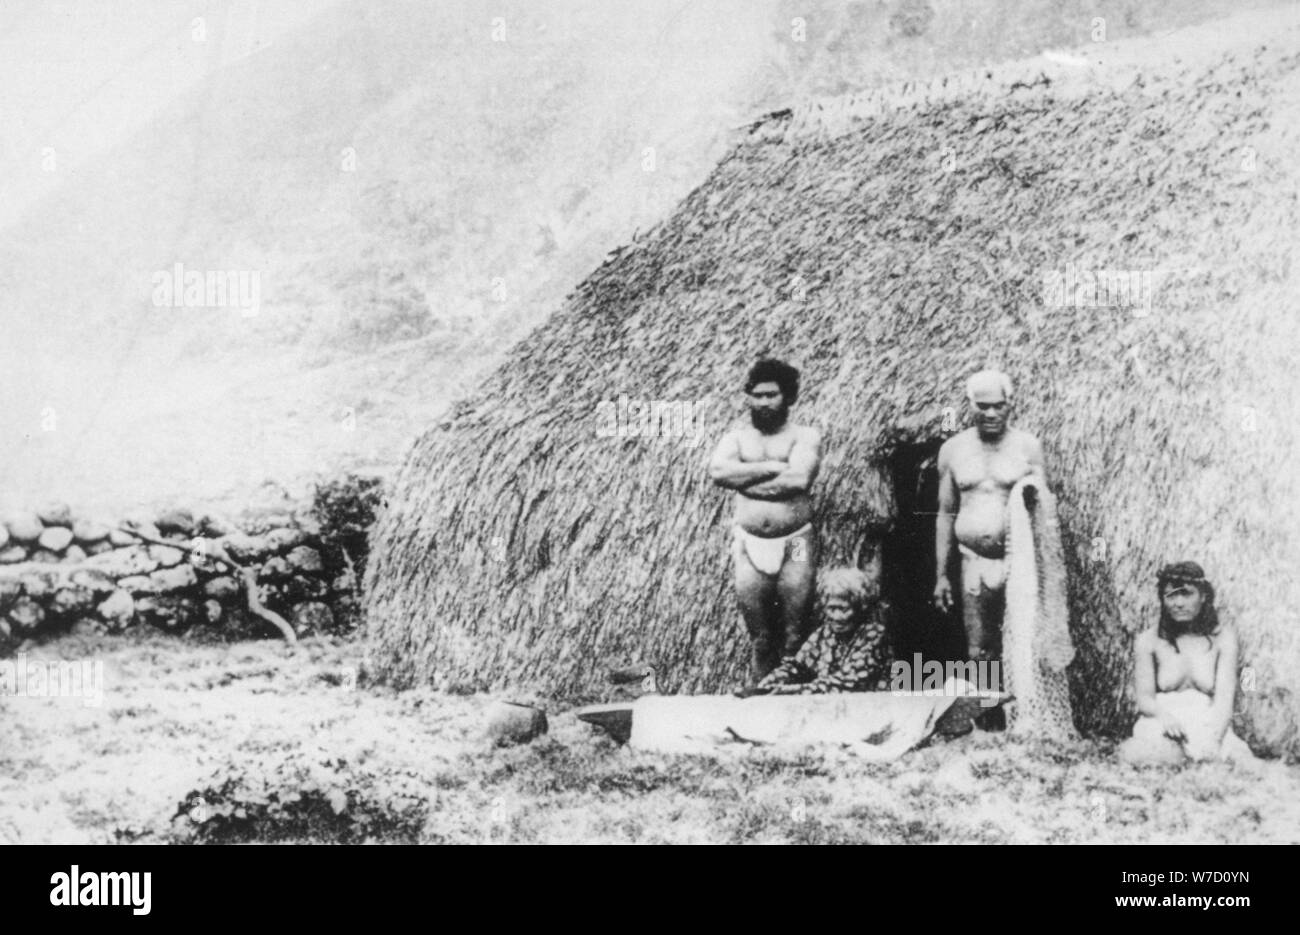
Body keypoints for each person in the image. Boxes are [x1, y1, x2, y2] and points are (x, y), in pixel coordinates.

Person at [708, 359, 822, 678]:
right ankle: (760, 691)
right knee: (759, 635)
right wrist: (769, 468)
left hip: (796, 541)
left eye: (771, 395)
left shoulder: (804, 436)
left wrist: (745, 481)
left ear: (788, 397)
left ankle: (794, 690)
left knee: (795, 629)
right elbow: (718, 472)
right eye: (757, 395)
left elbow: (799, 479)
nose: (763, 402)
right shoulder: (736, 440)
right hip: (749, 542)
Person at [933, 370, 1047, 669]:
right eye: (983, 406)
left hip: (1018, 563)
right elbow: (945, 514)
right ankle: (984, 716)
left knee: (1021, 646)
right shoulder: (953, 450)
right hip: (973, 561)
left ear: (1011, 404)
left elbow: (1044, 511)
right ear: (970, 406)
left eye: (999, 405)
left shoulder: (1027, 447)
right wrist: (942, 575)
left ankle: (1019, 715)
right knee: (979, 651)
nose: (991, 413)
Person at [1119, 562, 1255, 765]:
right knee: (1154, 756)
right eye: (1171, 595)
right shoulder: (1148, 640)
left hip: (1208, 719)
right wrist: (1164, 717)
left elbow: (1224, 702)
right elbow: (1145, 698)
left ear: (1203, 596)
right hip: (1163, 720)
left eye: (1187, 594)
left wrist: (1214, 740)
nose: (1179, 603)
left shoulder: (1223, 639)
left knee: (1242, 763)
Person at [746, 567, 893, 695]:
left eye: (843, 609)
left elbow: (845, 683)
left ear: (860, 608)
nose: (837, 617)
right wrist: (770, 684)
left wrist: (790, 691)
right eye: (831, 608)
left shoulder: (875, 636)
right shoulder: (825, 634)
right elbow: (797, 667)